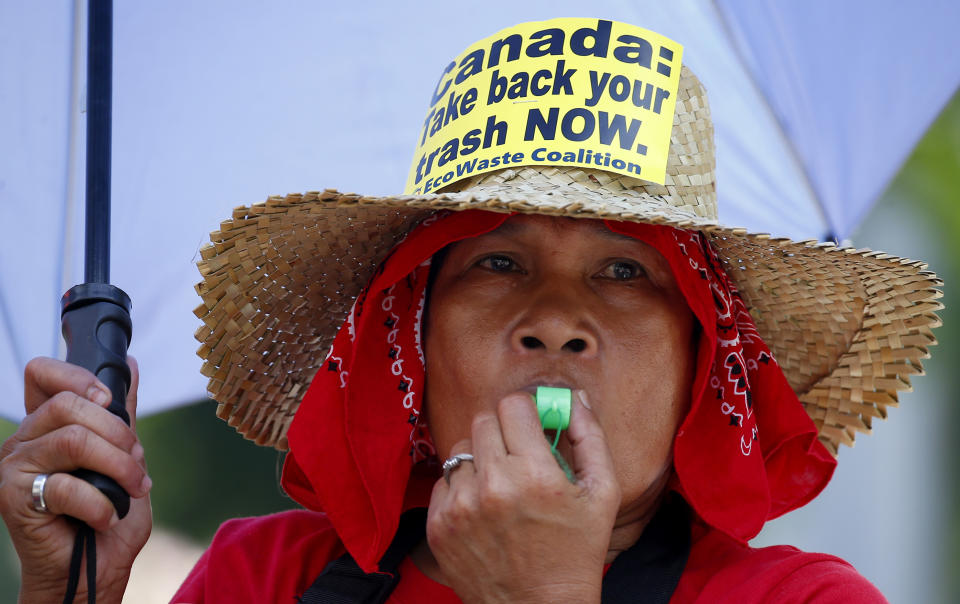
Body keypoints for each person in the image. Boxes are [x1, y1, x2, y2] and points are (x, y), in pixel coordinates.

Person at [0, 18, 942, 603]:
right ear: (406, 342)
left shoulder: (801, 603)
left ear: (706, 358)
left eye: (625, 272)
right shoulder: (264, 582)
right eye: (498, 261)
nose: (557, 322)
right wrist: (68, 593)